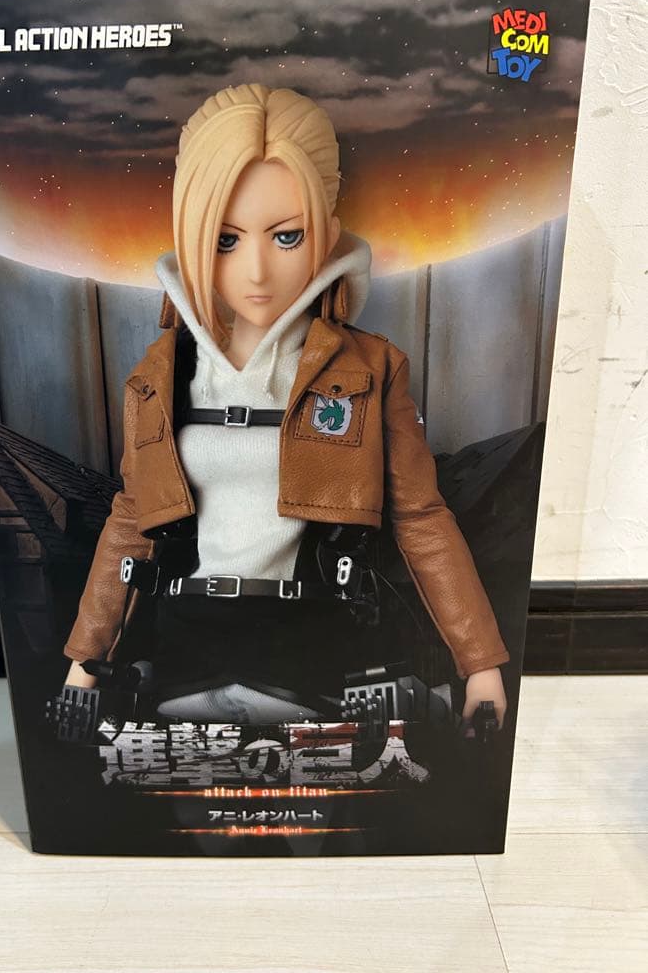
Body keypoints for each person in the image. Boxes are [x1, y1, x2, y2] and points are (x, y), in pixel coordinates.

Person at [61, 83, 509, 727]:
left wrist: (479, 663)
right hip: (189, 645)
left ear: (327, 233)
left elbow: (421, 519)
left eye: (287, 236)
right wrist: (85, 664)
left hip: (316, 650)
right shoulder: (161, 375)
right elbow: (133, 521)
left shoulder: (370, 368)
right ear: (190, 236)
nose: (257, 272)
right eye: (225, 240)